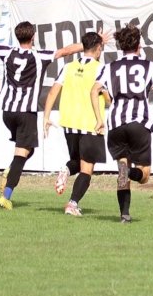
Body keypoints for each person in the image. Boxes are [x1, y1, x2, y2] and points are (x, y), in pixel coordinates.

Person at [0, 21, 91, 208]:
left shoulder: (7, 51)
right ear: (33, 37)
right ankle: (6, 196)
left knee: (28, 150)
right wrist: (89, 45)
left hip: (7, 112)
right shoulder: (39, 56)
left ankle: (11, 169)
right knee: (21, 155)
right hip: (26, 112)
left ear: (17, 36)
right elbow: (66, 51)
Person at [91, 26, 153, 223]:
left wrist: (99, 119)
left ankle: (124, 214)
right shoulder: (149, 66)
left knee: (122, 167)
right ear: (139, 45)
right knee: (144, 175)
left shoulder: (109, 67)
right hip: (138, 122)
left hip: (116, 124)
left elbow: (94, 90)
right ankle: (129, 173)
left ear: (120, 46)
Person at [43, 32, 110, 217]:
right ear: (99, 49)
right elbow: (108, 98)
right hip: (90, 124)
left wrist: (46, 117)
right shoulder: (101, 68)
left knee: (78, 162)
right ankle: (72, 204)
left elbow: (52, 93)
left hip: (69, 123)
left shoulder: (68, 67)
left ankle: (66, 169)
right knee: (87, 168)